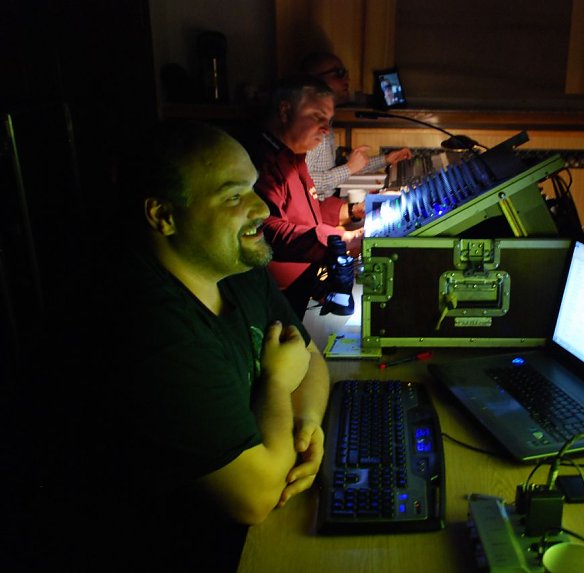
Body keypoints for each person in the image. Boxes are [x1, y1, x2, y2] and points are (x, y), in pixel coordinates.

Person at [52, 120, 331, 573]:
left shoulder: (238, 267)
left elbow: (309, 355)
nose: (261, 208)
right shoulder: (145, 327)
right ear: (162, 215)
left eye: (254, 188)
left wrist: (306, 424)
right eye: (233, 195)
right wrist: (279, 383)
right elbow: (255, 497)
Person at [243, 74, 363, 320]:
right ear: (285, 111)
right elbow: (267, 230)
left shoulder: (293, 157)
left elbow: (309, 207)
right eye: (318, 117)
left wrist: (353, 211)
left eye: (328, 120)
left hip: (307, 282)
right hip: (277, 299)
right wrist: (339, 239)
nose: (326, 129)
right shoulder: (260, 162)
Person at [300, 51, 412, 200]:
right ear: (314, 81)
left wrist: (386, 160)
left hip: (328, 203)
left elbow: (341, 169)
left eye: (345, 73)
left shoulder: (327, 121)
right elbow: (304, 183)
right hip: (317, 209)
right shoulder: (309, 127)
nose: (347, 79)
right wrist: (348, 168)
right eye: (338, 73)